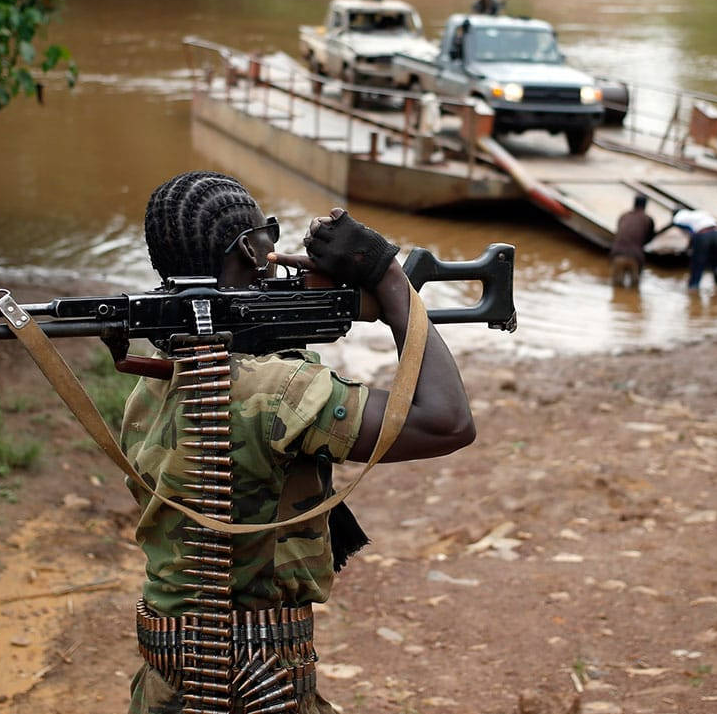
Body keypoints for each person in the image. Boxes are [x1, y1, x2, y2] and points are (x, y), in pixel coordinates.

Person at [124, 171, 475, 714]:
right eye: (270, 236)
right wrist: (389, 282)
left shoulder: (155, 383)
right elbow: (447, 421)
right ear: (250, 249)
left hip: (168, 680)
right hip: (257, 680)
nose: (277, 249)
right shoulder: (281, 392)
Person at [657, 208, 717, 289]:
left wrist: (655, 234)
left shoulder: (678, 218)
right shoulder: (699, 213)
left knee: (697, 264)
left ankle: (693, 288)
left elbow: (692, 233)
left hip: (703, 236)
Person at [609, 193, 656, 288]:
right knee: (635, 288)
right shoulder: (648, 219)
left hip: (617, 254)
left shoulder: (624, 216)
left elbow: (618, 233)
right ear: (645, 205)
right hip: (635, 257)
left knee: (616, 288)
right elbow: (650, 239)